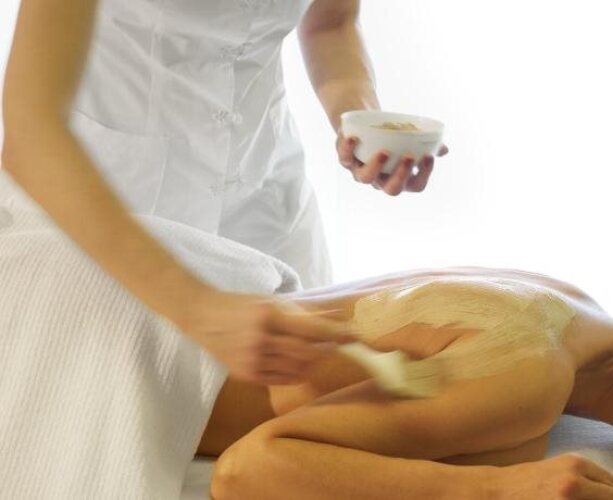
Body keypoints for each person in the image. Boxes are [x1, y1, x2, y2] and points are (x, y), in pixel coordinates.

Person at [1, 0, 445, 386]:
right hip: (110, 220)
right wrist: (199, 310)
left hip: (268, 205)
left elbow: (331, 22)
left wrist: (362, 124)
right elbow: (28, 134)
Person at [197, 267, 613, 500]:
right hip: (161, 366)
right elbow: (246, 473)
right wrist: (497, 488)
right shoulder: (532, 372)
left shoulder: (569, 303)